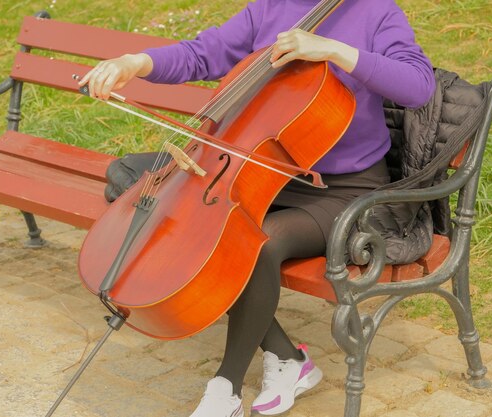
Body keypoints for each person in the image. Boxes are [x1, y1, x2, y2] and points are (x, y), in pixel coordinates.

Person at [79, 0, 435, 415]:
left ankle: (226, 387)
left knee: (260, 243)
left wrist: (335, 50)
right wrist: (133, 62)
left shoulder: (376, 11)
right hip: (265, 171)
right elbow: (203, 53)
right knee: (133, 179)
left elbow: (419, 85)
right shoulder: (270, 7)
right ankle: (287, 356)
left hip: (342, 189)